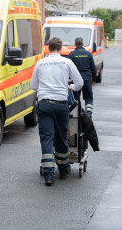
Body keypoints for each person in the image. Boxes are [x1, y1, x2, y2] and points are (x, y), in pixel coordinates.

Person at [31, 37, 83, 186]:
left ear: (48, 48)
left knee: (47, 138)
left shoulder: (40, 63)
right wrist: (69, 87)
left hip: (44, 105)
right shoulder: (67, 62)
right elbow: (79, 83)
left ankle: (49, 176)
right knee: (61, 137)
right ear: (60, 49)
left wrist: (45, 87)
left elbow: (33, 86)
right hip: (61, 105)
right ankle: (64, 168)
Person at [68, 37, 97, 116]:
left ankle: (77, 115)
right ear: (83, 44)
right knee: (88, 98)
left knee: (75, 99)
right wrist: (94, 79)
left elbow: (68, 69)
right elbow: (93, 68)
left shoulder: (72, 54)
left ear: (75, 44)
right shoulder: (88, 54)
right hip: (87, 79)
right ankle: (88, 114)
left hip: (76, 81)